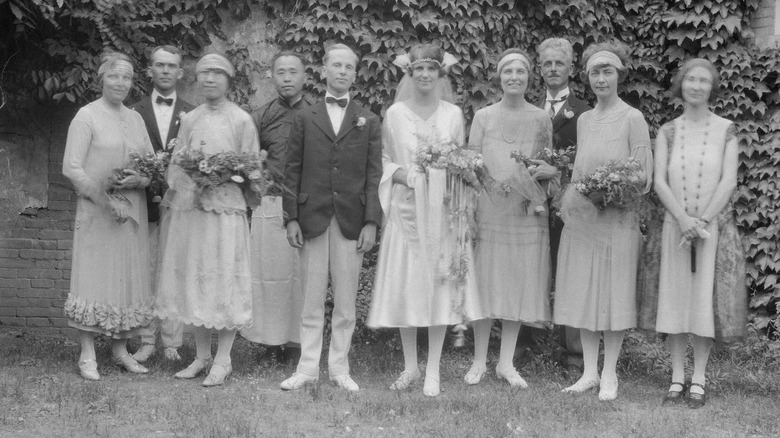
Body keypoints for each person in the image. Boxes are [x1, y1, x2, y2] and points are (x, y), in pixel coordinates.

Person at [366, 43, 477, 397]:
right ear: (409, 74)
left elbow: (461, 159)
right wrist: (407, 176)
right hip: (407, 210)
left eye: (432, 70)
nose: (425, 76)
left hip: (444, 213)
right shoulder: (395, 114)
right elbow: (383, 159)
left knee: (439, 289)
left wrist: (447, 172)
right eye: (419, 70)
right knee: (409, 286)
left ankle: (433, 369)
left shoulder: (453, 115)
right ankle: (410, 366)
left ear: (441, 74)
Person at [553, 41, 653, 401]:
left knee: (613, 296)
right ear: (587, 77)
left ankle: (610, 374)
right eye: (595, 72)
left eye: (607, 71)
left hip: (618, 220)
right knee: (584, 294)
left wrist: (612, 191)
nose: (601, 78)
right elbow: (580, 170)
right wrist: (583, 192)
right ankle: (589, 372)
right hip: (586, 220)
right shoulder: (584, 119)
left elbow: (642, 174)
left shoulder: (633, 118)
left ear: (619, 75)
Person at [280, 43, 382, 392]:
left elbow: (373, 174)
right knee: (310, 298)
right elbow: (290, 170)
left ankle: (339, 368)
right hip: (311, 216)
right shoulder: (304, 117)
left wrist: (371, 221)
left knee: (345, 299)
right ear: (323, 70)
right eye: (335, 65)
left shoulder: (368, 120)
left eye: (348, 67)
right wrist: (290, 217)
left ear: (355, 74)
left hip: (351, 220)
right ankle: (307, 368)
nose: (341, 72)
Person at [154, 53, 260, 386]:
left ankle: (223, 360)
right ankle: (201, 356)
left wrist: (230, 175)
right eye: (204, 74)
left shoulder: (241, 120)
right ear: (196, 79)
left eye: (217, 74)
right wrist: (192, 177)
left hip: (226, 213)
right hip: (194, 212)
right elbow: (175, 164)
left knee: (223, 279)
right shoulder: (190, 119)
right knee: (198, 279)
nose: (209, 79)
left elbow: (253, 168)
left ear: (229, 81)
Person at [652, 58, 746, 408]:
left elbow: (729, 180)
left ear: (712, 87)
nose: (696, 86)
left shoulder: (727, 130)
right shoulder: (667, 131)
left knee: (702, 302)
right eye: (690, 79)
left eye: (703, 81)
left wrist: (702, 222)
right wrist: (683, 219)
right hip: (674, 229)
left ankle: (700, 378)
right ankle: (677, 376)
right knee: (675, 302)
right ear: (681, 85)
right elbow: (660, 180)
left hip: (711, 231)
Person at [464, 49, 557, 388]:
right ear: (499, 77)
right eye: (508, 72)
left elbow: (546, 165)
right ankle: (478, 361)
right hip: (490, 209)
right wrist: (484, 191)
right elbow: (471, 164)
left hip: (523, 212)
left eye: (520, 71)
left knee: (517, 283)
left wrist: (534, 188)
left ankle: (505, 362)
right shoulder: (484, 116)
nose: (514, 77)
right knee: (487, 283)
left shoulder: (541, 118)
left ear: (529, 77)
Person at [62, 51, 155, 380]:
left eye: (127, 77)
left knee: (126, 280)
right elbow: (71, 168)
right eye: (114, 75)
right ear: (101, 78)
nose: (121, 82)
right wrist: (104, 199)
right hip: (97, 211)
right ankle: (87, 354)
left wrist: (140, 179)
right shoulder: (86, 116)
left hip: (131, 210)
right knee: (93, 278)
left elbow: (149, 164)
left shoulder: (135, 118)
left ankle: (119, 350)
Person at [241, 51, 308, 363]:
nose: (287, 78)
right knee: (269, 275)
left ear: (305, 76)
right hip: (269, 202)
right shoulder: (260, 116)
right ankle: (270, 344)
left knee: (303, 277)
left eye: (293, 72)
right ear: (272, 76)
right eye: (280, 72)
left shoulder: (316, 113)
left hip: (307, 204)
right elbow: (249, 160)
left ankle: (299, 344)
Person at [130, 45, 195, 363]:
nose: (166, 70)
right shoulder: (133, 112)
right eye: (160, 65)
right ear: (150, 71)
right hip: (142, 203)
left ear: (180, 72)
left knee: (174, 273)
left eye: (172, 66)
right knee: (144, 271)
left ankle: (171, 342)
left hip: (179, 205)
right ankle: (145, 340)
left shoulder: (192, 113)